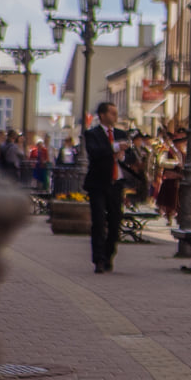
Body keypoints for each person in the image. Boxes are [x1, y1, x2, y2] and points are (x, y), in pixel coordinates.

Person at [82, 102, 125, 275]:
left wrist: (127, 156)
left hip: (116, 182)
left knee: (115, 222)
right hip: (98, 183)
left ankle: (108, 255)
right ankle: (99, 259)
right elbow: (95, 152)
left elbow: (128, 157)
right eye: (112, 113)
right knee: (99, 222)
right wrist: (115, 148)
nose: (115, 116)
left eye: (116, 113)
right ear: (102, 115)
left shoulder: (121, 134)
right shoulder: (92, 134)